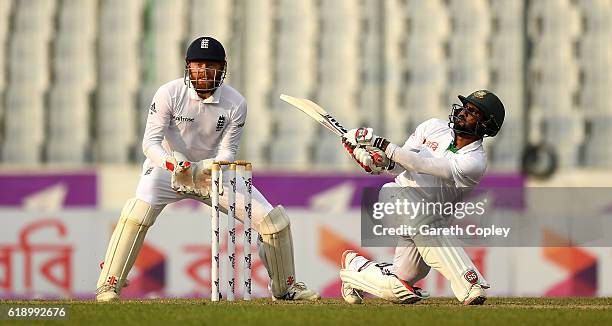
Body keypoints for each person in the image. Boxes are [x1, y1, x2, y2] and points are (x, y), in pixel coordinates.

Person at [96, 36, 319, 302]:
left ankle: (285, 288)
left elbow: (228, 152)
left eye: (211, 65)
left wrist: (209, 168)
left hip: (211, 173)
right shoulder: (169, 93)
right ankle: (109, 284)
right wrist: (173, 164)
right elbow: (150, 144)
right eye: (198, 65)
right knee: (136, 213)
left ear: (222, 68)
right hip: (166, 170)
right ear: (188, 67)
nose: (204, 71)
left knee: (274, 223)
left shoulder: (236, 103)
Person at [339, 90, 505, 305]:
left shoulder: (474, 162)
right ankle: (470, 283)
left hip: (431, 220)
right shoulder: (433, 127)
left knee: (400, 283)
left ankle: (355, 269)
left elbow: (421, 164)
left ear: (485, 126)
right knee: (422, 221)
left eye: (472, 112)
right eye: (465, 107)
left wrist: (382, 145)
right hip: (396, 198)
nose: (463, 112)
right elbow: (400, 165)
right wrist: (378, 161)